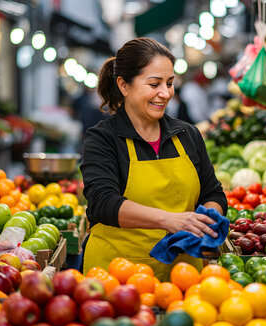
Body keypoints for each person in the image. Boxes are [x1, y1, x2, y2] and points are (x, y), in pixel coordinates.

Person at [80, 38, 227, 281]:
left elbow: (213, 192)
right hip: (116, 278)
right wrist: (170, 220)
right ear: (123, 85)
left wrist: (206, 220)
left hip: (182, 277)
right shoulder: (103, 138)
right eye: (154, 84)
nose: (165, 93)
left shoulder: (187, 134)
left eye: (170, 83)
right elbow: (103, 203)